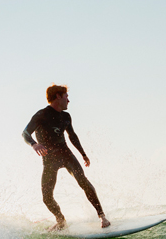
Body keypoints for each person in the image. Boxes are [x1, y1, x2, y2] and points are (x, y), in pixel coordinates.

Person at [22, 85, 111, 231]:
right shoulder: (41, 115)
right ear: (58, 96)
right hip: (49, 160)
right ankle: (61, 221)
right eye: (66, 97)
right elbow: (25, 133)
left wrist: (83, 154)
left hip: (65, 155)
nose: (68, 100)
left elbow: (72, 136)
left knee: (83, 182)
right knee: (47, 197)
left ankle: (102, 216)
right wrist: (34, 144)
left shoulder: (66, 117)